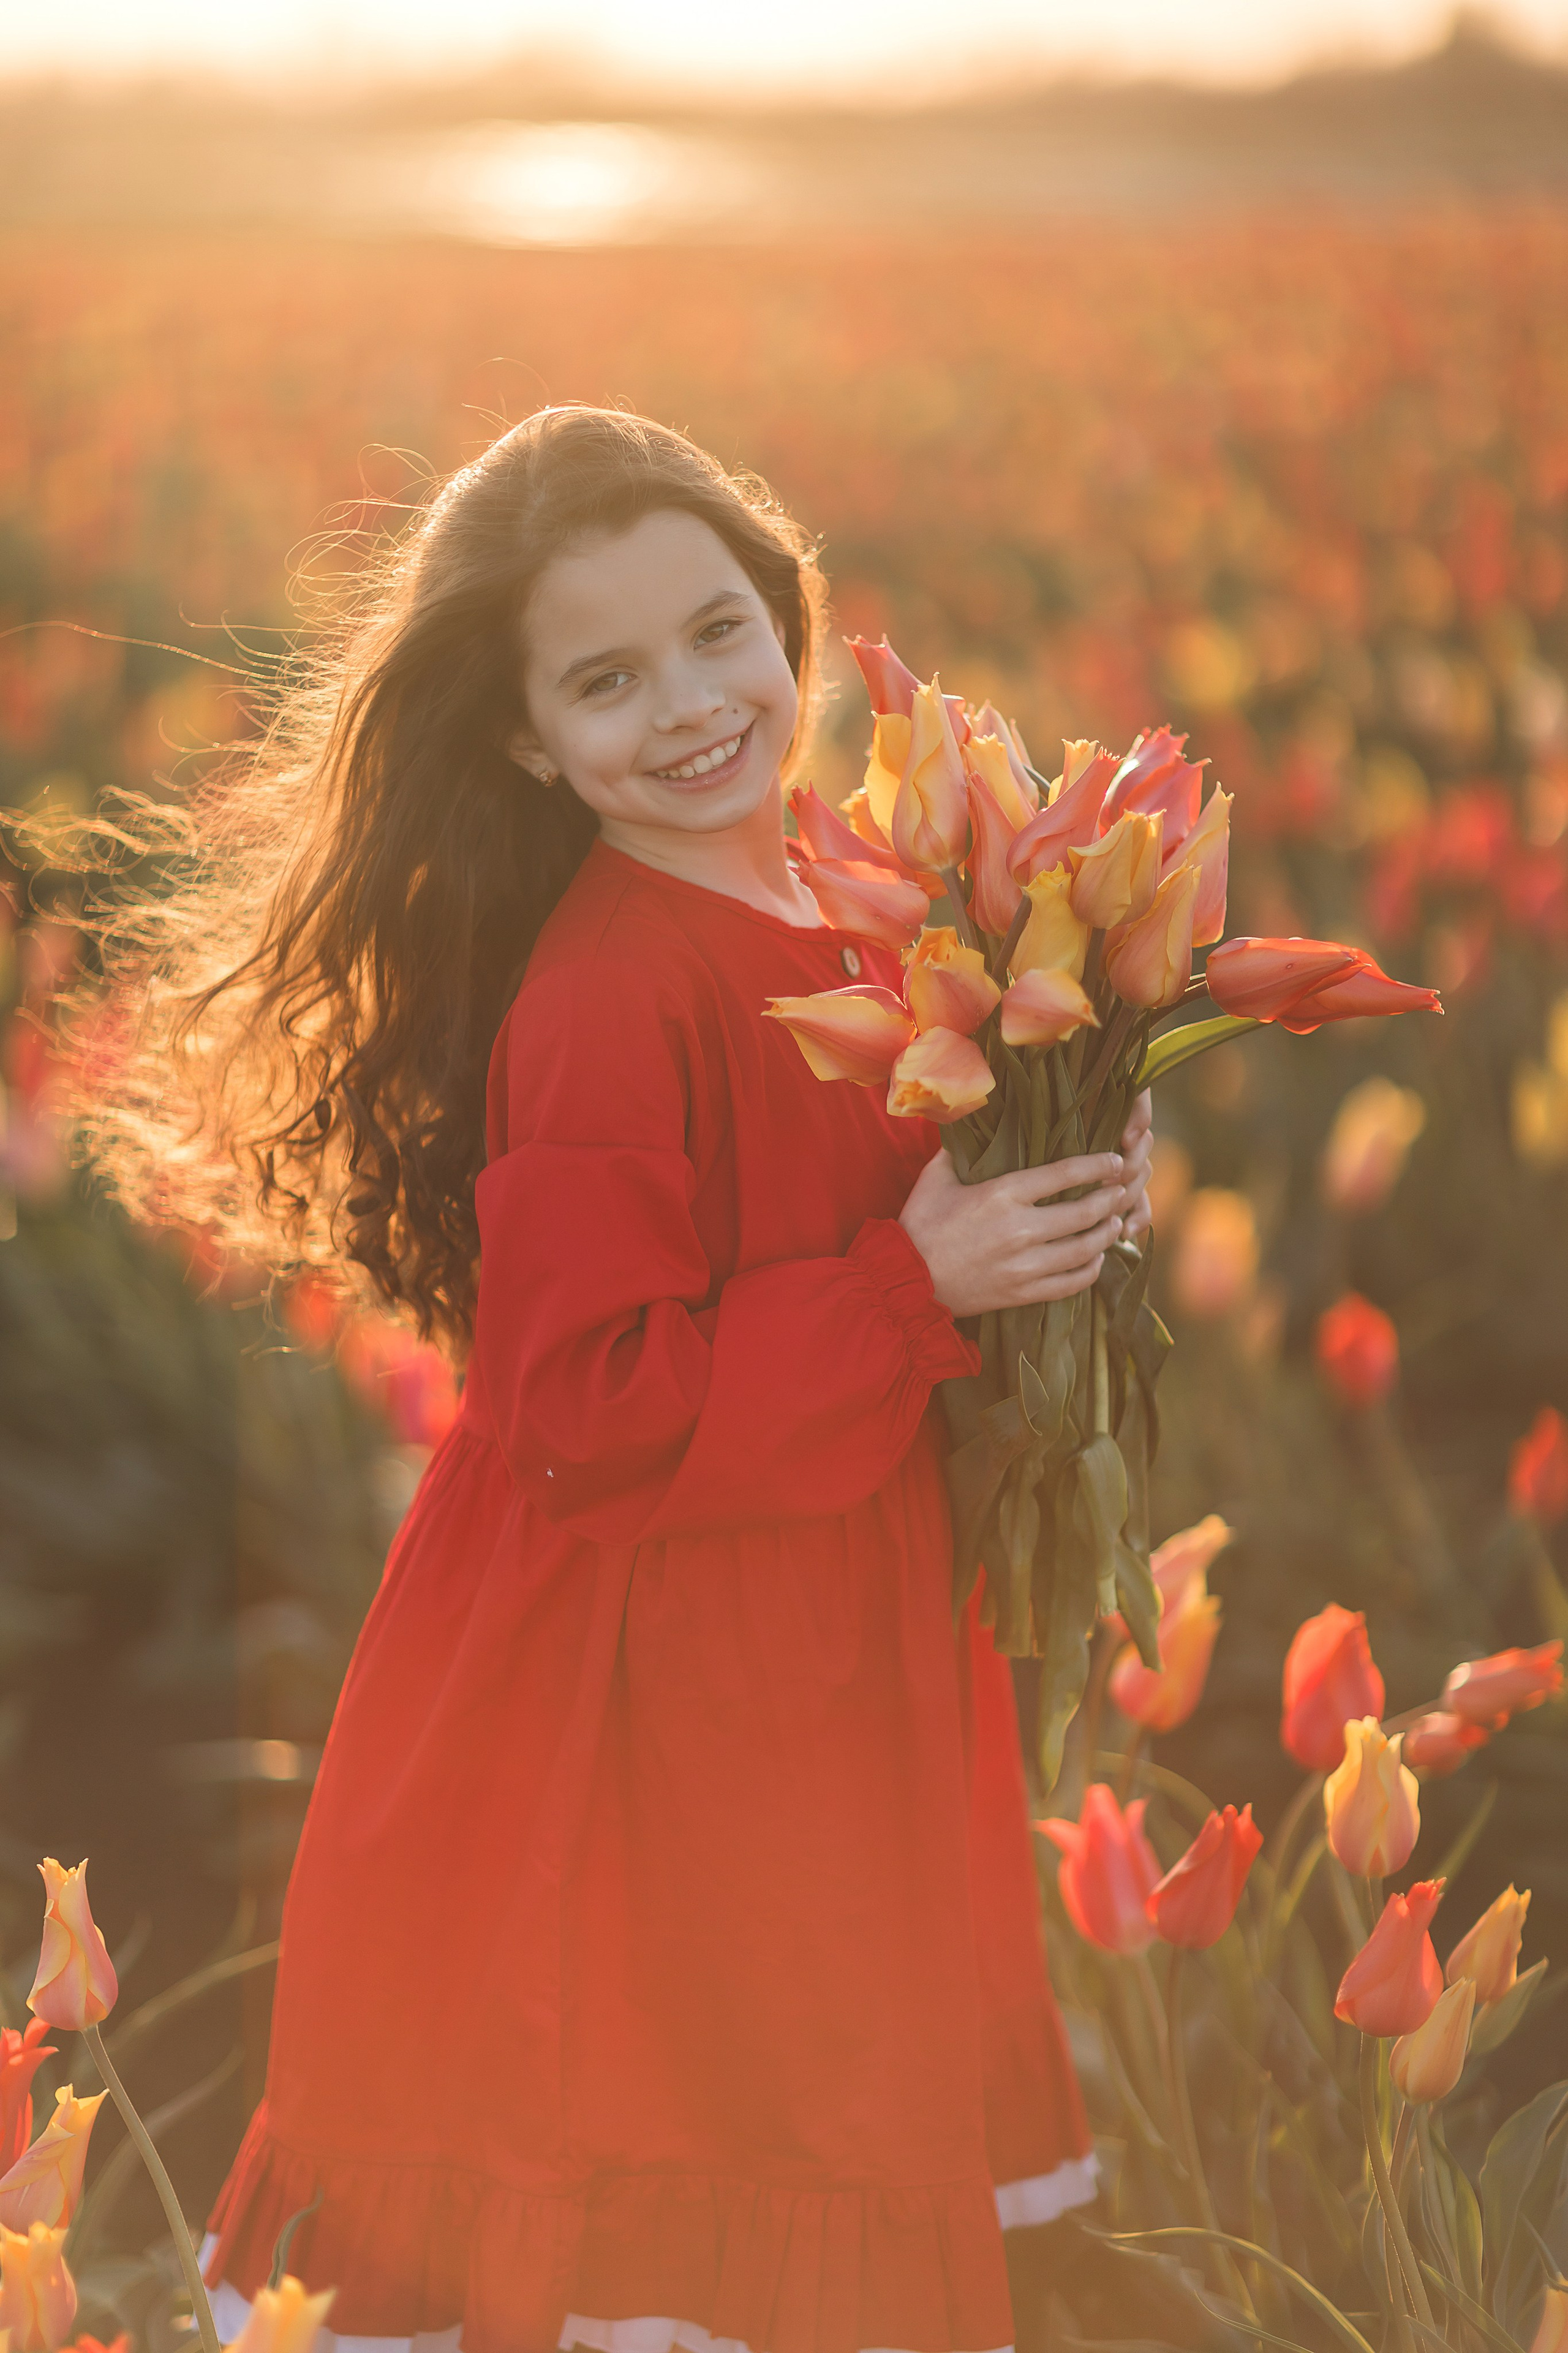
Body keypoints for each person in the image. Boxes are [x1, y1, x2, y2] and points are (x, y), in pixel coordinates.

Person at [99, 407, 1152, 2353]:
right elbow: (590, 1405)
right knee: (706, 2146)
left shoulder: (865, 897)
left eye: (718, 632)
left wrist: (1067, 1173)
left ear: (790, 621)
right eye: (605, 678)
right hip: (659, 1676)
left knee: (822, 2090)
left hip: (826, 1625)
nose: (688, 707)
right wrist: (916, 1281)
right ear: (526, 739)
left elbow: (900, 1193)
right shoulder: (609, 992)